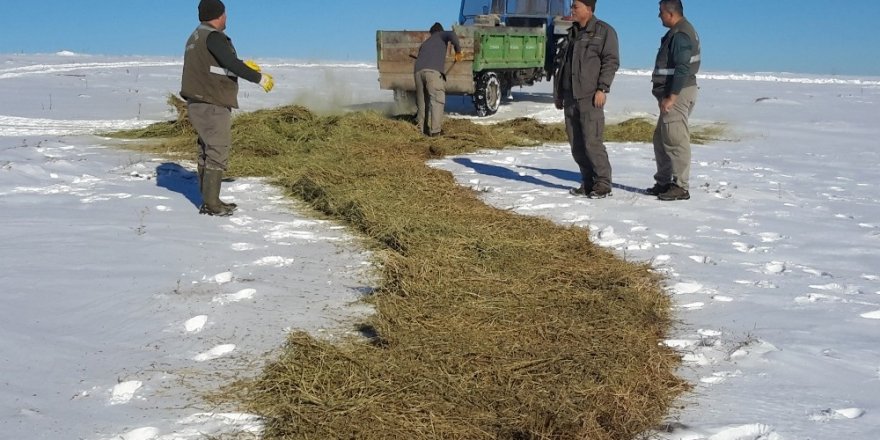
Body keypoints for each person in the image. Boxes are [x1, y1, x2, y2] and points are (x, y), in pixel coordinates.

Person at [180, 0, 274, 216]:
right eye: (225, 14)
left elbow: (217, 65)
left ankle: (210, 199)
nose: (226, 18)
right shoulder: (213, 36)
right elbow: (229, 63)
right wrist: (258, 78)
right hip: (212, 102)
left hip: (199, 101)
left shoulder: (196, 36)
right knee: (217, 148)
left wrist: (239, 64)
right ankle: (211, 205)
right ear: (219, 15)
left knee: (207, 148)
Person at [553, 0, 619, 199]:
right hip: (570, 97)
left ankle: (602, 183)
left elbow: (611, 61)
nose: (572, 10)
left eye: (576, 7)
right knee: (577, 144)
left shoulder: (603, 32)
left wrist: (602, 88)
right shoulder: (571, 34)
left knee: (592, 142)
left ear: (589, 9)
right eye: (572, 6)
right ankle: (588, 181)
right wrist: (558, 94)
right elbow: (562, 66)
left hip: (590, 97)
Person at [646, 0, 701, 201]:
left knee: (676, 139)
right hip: (673, 93)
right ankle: (664, 182)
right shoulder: (678, 32)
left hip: (678, 94)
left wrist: (672, 97)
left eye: (660, 12)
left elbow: (682, 68)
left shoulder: (680, 35)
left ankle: (680, 186)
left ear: (670, 13)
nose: (658, 16)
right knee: (662, 139)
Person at [414, 22, 463, 137]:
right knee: (437, 100)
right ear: (440, 31)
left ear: (431, 32)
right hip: (432, 73)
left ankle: (421, 131)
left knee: (422, 104)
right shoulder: (441, 35)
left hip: (417, 73)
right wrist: (458, 51)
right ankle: (436, 132)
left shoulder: (425, 43)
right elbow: (452, 34)